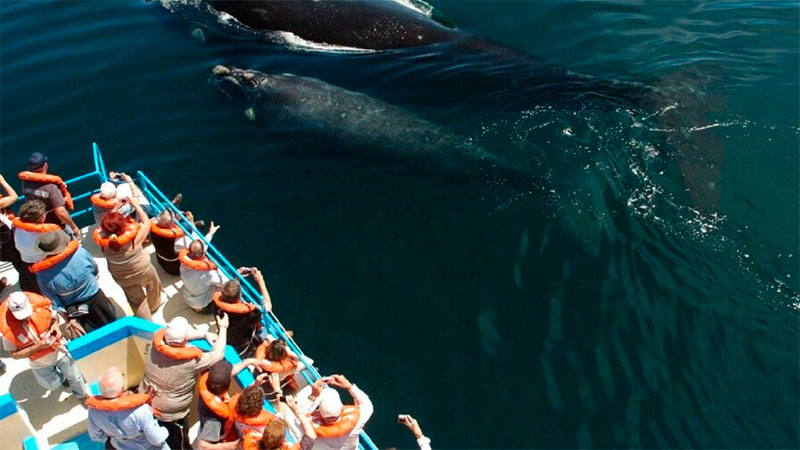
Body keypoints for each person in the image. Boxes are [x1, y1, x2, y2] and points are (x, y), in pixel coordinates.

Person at [140, 314, 229, 450]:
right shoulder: (191, 362)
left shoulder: (155, 345)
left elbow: (173, 337)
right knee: (179, 444)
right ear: (185, 339)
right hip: (171, 417)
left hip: (145, 405)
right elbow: (219, 354)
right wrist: (223, 327)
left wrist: (204, 334)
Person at [0, 291, 89, 402]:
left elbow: (54, 317)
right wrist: (38, 347)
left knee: (75, 376)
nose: (26, 317)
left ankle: (82, 395)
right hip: (39, 362)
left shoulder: (41, 307)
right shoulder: (7, 330)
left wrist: (55, 326)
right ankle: (61, 379)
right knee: (52, 385)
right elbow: (14, 354)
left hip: (59, 350)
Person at [32, 230, 118, 333]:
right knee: (113, 324)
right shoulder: (80, 253)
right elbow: (94, 269)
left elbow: (53, 299)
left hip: (74, 309)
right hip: (95, 297)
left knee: (92, 333)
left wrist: (66, 315)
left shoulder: (42, 275)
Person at [95, 198, 162, 320]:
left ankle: (148, 324)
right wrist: (135, 204)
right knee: (153, 284)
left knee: (137, 301)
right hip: (143, 270)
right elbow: (146, 222)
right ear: (123, 226)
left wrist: (114, 209)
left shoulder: (104, 244)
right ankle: (154, 305)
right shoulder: (133, 240)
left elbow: (103, 229)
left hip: (122, 277)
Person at [87, 366, 169, 450]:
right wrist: (165, 430)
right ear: (122, 387)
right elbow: (157, 439)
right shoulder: (141, 410)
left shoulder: (93, 411)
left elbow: (96, 436)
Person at [196, 358, 270, 450]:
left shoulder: (210, 384)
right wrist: (235, 445)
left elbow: (228, 374)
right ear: (228, 385)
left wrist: (248, 362)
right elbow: (203, 447)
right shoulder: (214, 421)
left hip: (209, 427)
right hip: (214, 438)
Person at [300, 374, 373, 450]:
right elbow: (367, 404)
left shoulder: (309, 428)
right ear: (341, 407)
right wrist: (348, 385)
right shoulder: (358, 419)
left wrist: (313, 396)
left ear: (321, 411)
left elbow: (299, 417)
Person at [213, 269, 272, 357]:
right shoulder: (251, 313)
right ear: (240, 295)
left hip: (223, 336)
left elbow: (228, 293)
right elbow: (267, 307)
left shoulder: (216, 304)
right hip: (241, 344)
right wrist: (260, 281)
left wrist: (236, 278)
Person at [19, 152, 80, 237]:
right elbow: (60, 211)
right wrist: (74, 227)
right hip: (56, 224)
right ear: (45, 166)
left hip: (38, 223)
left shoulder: (25, 182)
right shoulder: (50, 187)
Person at [150, 209, 215, 276]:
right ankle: (192, 225)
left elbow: (166, 226)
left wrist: (176, 220)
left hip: (161, 262)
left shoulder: (153, 228)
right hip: (175, 270)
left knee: (186, 227)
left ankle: (191, 225)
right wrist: (210, 233)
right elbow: (199, 244)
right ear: (171, 224)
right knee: (201, 250)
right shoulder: (181, 241)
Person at [13, 200, 59, 293]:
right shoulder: (45, 235)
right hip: (43, 267)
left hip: (26, 266)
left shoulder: (15, 227)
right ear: (41, 218)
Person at [242, 395, 317, 450]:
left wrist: (278, 391)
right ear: (282, 440)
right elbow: (311, 435)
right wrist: (297, 411)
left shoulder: (249, 440)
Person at [179, 239, 225, 313]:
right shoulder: (210, 274)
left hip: (187, 297)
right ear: (203, 254)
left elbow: (197, 252)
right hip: (203, 306)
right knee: (223, 288)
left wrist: (210, 234)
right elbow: (226, 284)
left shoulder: (184, 264)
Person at [0, 173, 23, 291]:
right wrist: (3, 182)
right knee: (18, 260)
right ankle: (28, 282)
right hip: (6, 241)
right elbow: (14, 197)